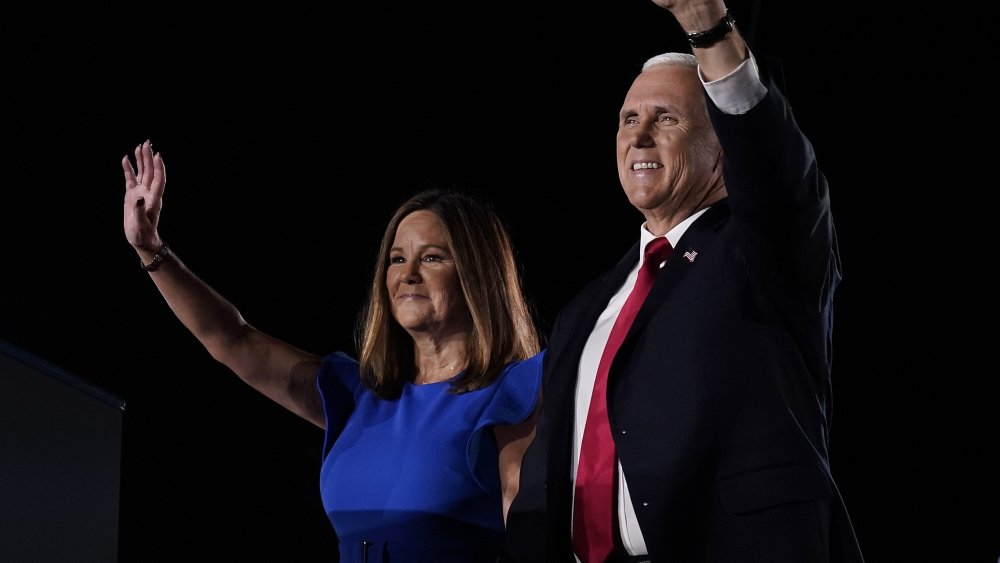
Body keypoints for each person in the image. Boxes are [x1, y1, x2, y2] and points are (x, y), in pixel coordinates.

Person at [505, 0, 865, 561]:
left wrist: (709, 28)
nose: (640, 137)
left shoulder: (762, 249)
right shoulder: (585, 308)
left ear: (722, 144)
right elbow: (548, 473)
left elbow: (775, 171)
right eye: (629, 120)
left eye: (666, 118)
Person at [121, 140, 545, 563]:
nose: (407, 275)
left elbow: (536, 538)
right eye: (396, 260)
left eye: (432, 258)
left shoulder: (513, 395)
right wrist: (150, 248)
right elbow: (233, 340)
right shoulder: (359, 395)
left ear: (478, 275)